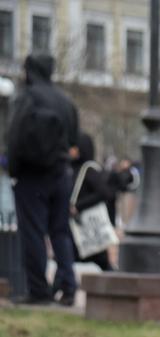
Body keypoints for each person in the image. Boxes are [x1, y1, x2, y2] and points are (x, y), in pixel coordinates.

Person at [6, 53, 80, 306]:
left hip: (31, 176)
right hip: (60, 173)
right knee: (61, 232)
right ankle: (68, 287)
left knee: (33, 233)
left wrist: (13, 170)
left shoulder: (26, 97)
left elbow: (14, 136)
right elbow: (74, 138)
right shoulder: (65, 101)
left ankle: (39, 290)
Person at [69, 132, 117, 271]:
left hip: (88, 226)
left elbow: (104, 193)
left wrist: (78, 206)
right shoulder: (73, 168)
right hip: (80, 228)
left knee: (101, 261)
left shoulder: (88, 169)